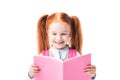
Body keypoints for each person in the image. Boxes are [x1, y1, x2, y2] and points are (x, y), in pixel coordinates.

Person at [26, 12, 96, 80]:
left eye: (63, 34)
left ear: (70, 34)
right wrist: (30, 74)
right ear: (47, 34)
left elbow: (82, 77)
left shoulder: (76, 55)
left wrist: (92, 75)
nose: (59, 38)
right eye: (54, 34)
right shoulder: (42, 56)